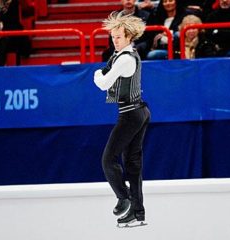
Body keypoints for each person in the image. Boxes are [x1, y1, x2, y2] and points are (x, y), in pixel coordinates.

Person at [94, 12, 151, 227]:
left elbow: (103, 83)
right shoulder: (126, 55)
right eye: (112, 37)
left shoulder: (126, 58)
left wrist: (97, 74)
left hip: (131, 115)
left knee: (108, 159)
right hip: (139, 111)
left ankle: (124, 198)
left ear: (129, 37)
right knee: (132, 164)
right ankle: (138, 212)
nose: (114, 41)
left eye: (118, 37)